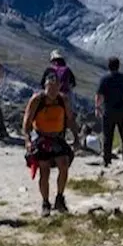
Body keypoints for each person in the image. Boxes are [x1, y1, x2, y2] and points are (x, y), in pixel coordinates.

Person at [23, 72, 77, 217]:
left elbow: (70, 119)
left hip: (57, 137)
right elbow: (27, 122)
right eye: (49, 86)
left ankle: (60, 197)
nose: (52, 90)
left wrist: (76, 137)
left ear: (59, 86)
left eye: (55, 86)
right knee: (44, 171)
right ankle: (45, 202)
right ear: (45, 86)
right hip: (41, 138)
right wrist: (28, 140)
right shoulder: (37, 100)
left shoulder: (63, 100)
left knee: (64, 166)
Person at [96, 56, 123, 169]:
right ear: (118, 66)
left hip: (108, 111)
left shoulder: (104, 79)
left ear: (108, 66)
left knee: (108, 136)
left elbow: (99, 95)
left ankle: (106, 159)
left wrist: (97, 107)